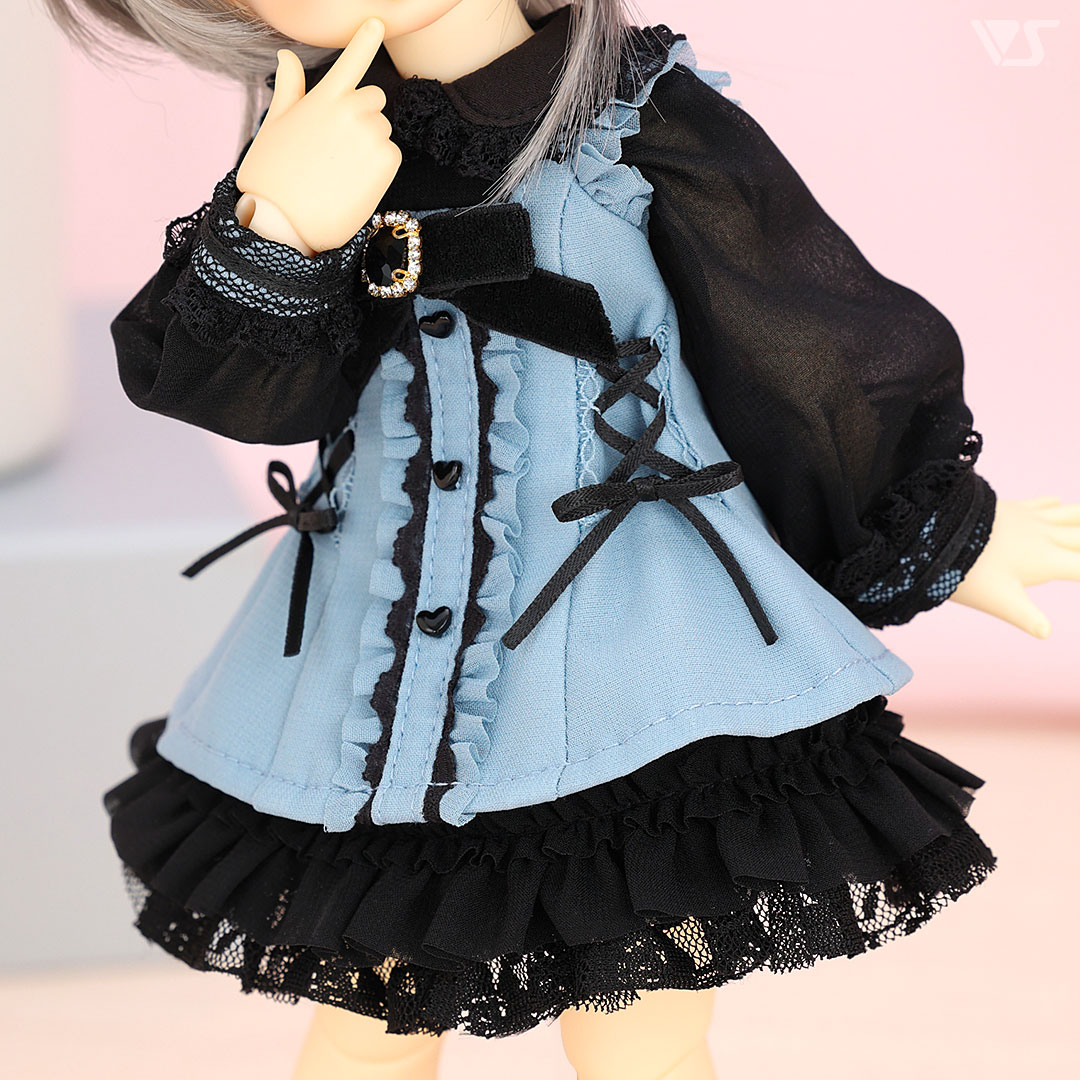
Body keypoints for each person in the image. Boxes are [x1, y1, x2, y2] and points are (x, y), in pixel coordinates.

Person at [48, 2, 1080, 1077]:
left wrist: (936, 523)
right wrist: (279, 231)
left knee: (639, 1023)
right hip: (381, 658)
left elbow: (793, 336)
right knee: (369, 1009)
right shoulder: (314, 132)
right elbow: (246, 394)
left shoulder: (635, 118)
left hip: (639, 638)